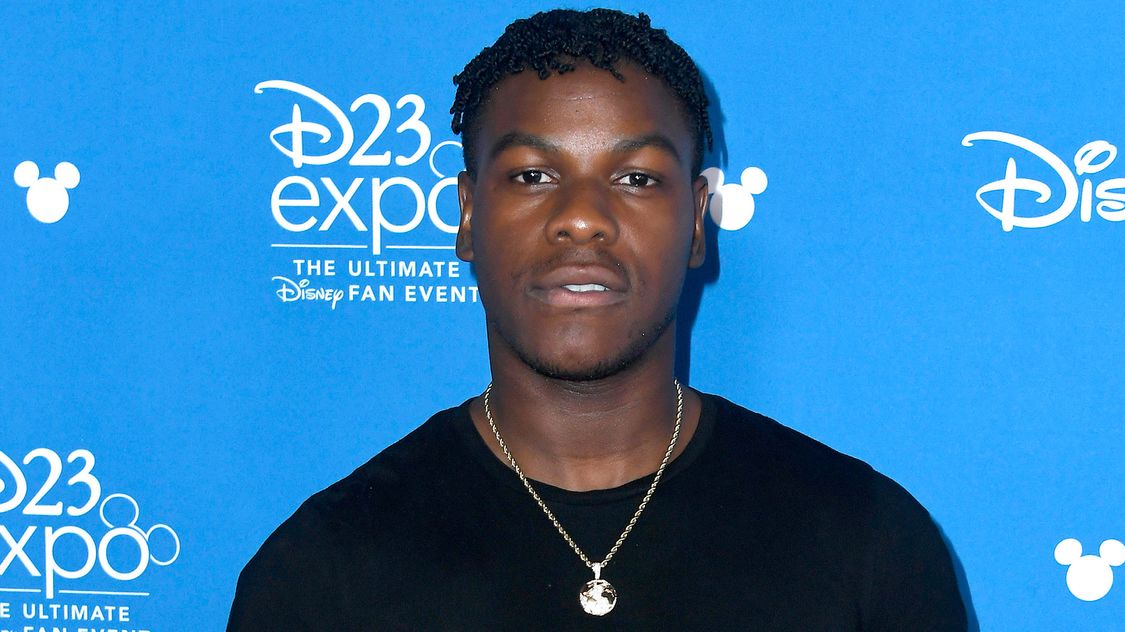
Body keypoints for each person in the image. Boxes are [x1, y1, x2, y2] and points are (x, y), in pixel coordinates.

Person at [228, 8, 967, 631]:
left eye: (636, 177)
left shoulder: (867, 544)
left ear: (697, 224)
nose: (582, 218)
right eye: (533, 175)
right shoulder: (322, 575)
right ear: (467, 215)